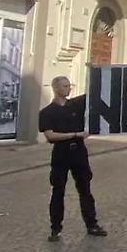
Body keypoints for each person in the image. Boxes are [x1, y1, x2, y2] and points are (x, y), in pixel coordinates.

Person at [38, 76, 106, 242]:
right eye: (65, 86)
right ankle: (55, 229)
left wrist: (96, 72)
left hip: (79, 153)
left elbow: (96, 93)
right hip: (61, 154)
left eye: (69, 85)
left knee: (85, 189)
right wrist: (74, 134)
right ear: (56, 88)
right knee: (58, 191)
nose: (69, 89)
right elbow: (50, 135)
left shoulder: (75, 105)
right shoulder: (47, 112)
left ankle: (92, 224)